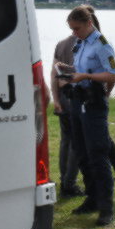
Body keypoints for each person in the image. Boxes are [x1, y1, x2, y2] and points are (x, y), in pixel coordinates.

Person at [58, 5, 115, 226]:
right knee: (81, 151)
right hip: (77, 100)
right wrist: (66, 71)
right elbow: (81, 68)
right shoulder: (81, 43)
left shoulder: (102, 44)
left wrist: (86, 76)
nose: (74, 33)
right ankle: (92, 198)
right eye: (72, 29)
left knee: (97, 154)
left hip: (93, 103)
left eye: (77, 28)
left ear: (88, 24)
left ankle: (106, 207)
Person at [50, 34, 84, 198]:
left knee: (66, 140)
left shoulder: (61, 44)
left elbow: (53, 74)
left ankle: (65, 179)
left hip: (63, 96)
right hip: (76, 95)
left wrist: (56, 99)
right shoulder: (86, 43)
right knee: (77, 142)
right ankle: (69, 184)